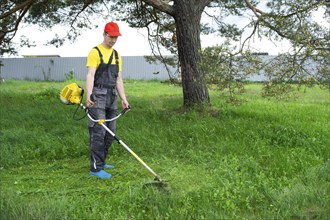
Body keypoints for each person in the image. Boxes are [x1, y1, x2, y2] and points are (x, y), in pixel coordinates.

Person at [85, 21, 129, 179]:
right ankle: (95, 169)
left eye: (116, 37)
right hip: (98, 94)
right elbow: (90, 75)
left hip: (112, 96)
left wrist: (124, 99)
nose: (113, 40)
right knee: (99, 131)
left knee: (111, 132)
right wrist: (89, 94)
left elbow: (119, 79)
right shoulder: (95, 52)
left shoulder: (117, 55)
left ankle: (101, 161)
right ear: (104, 34)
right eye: (111, 37)